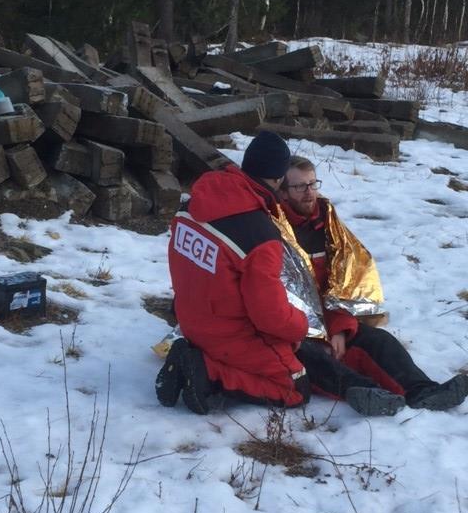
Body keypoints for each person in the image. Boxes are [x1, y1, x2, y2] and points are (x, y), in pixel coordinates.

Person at [155, 132, 408, 416]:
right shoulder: (259, 234)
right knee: (294, 389)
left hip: (190, 319)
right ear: (278, 181)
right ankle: (208, 371)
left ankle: (367, 388)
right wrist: (300, 327)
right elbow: (269, 316)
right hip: (229, 334)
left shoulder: (190, 208)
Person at [278, 154, 468, 411]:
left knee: (380, 342)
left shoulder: (327, 224)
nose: (309, 192)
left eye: (313, 184)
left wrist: (340, 329)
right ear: (283, 192)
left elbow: (344, 283)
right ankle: (369, 395)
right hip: (296, 332)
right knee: (310, 359)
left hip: (330, 321)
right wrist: (310, 334)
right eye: (300, 186)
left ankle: (422, 391)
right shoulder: (274, 229)